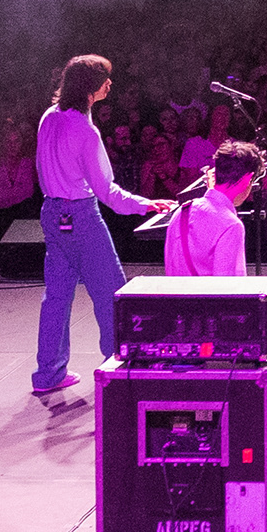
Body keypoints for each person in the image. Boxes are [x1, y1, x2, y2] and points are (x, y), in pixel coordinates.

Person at [28, 53, 172, 401]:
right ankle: (118, 368)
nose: (111, 83)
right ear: (92, 87)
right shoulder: (86, 131)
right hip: (80, 216)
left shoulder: (50, 117)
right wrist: (146, 204)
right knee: (110, 293)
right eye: (106, 78)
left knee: (56, 298)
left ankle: (48, 373)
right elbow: (107, 192)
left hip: (51, 213)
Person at [163, 141, 267, 278]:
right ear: (247, 179)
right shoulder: (231, 225)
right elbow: (228, 288)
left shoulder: (182, 212)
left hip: (175, 297)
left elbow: (171, 267)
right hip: (206, 299)